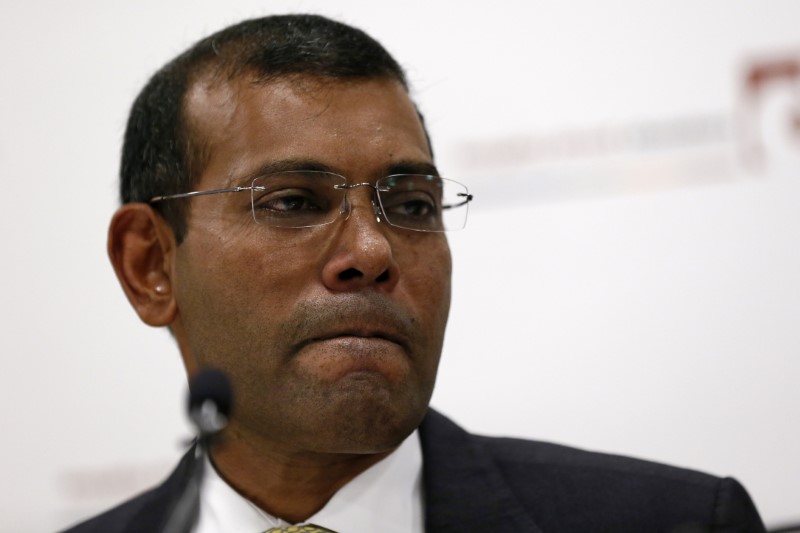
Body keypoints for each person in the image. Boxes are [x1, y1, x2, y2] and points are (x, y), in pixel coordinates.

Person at [60, 14, 766, 533]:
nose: (372, 250)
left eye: (411, 204)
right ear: (151, 264)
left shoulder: (674, 521)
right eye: (293, 202)